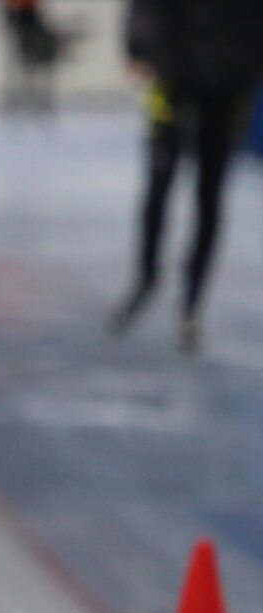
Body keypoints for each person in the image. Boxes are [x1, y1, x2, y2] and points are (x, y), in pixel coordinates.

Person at [109, 0, 263, 351]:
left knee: (210, 190)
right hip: (173, 71)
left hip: (228, 77)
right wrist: (138, 47)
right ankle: (147, 276)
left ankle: (192, 297)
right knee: (160, 179)